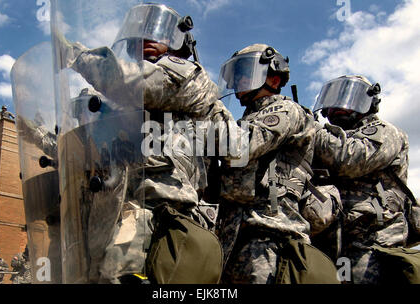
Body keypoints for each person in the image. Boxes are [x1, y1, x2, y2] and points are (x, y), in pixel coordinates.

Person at [54, 3, 236, 283]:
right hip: (114, 210)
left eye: (157, 32)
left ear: (178, 41)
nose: (146, 40)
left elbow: (133, 83)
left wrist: (74, 54)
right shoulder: (120, 103)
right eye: (139, 36)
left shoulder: (185, 74)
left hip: (159, 213)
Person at [215, 44, 329, 284]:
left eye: (246, 72)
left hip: (271, 239)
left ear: (275, 79)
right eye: (237, 74)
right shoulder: (243, 122)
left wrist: (207, 105)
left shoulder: (285, 110)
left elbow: (242, 146)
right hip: (235, 239)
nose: (239, 80)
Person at [312, 75, 420, 284]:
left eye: (346, 99)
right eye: (333, 103)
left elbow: (351, 159)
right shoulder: (329, 140)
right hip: (334, 245)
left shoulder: (385, 132)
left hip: (374, 244)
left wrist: (311, 128)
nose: (337, 108)